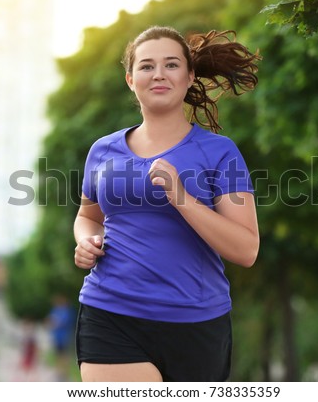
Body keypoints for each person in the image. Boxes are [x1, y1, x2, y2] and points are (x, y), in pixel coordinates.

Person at [73, 26, 260, 382]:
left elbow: (246, 249)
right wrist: (85, 240)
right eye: (146, 66)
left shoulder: (220, 153)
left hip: (196, 323)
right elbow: (88, 216)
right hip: (110, 312)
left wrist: (181, 198)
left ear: (190, 76)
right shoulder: (103, 150)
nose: (158, 74)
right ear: (131, 80)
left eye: (171, 65)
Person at [47, 294, 77, 381]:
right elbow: (50, 321)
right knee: (58, 354)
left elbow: (61, 322)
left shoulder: (67, 311)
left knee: (64, 355)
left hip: (65, 336)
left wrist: (54, 323)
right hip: (57, 336)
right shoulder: (55, 310)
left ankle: (64, 373)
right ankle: (59, 372)